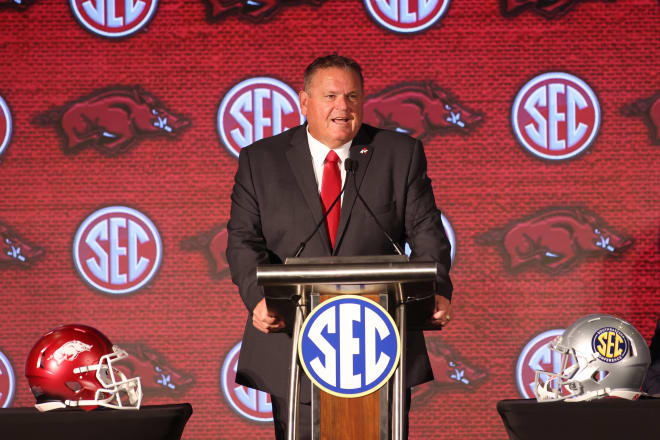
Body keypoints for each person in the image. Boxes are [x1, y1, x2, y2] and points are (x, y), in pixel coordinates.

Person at [226, 54, 453, 439]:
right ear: (304, 102)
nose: (342, 108)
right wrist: (259, 298)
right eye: (330, 96)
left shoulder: (399, 155)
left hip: (383, 340)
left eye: (352, 97)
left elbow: (427, 232)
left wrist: (436, 291)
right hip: (294, 335)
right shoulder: (260, 161)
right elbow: (243, 241)